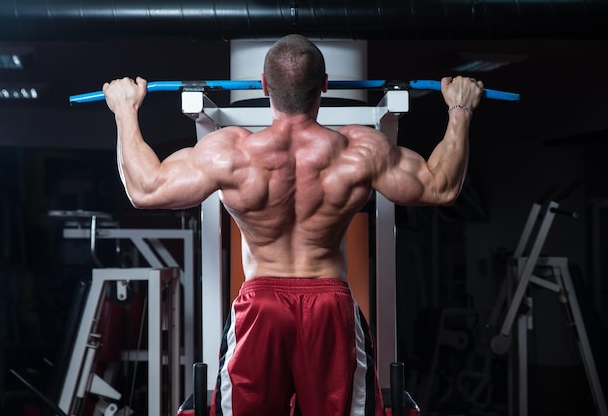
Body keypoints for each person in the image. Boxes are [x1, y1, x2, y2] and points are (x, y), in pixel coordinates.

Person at [102, 34, 484, 416]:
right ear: (325, 84)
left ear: (264, 85)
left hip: (260, 307)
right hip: (329, 304)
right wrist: (460, 111)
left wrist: (124, 111)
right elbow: (440, 186)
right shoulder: (359, 151)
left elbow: (145, 189)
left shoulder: (231, 152)